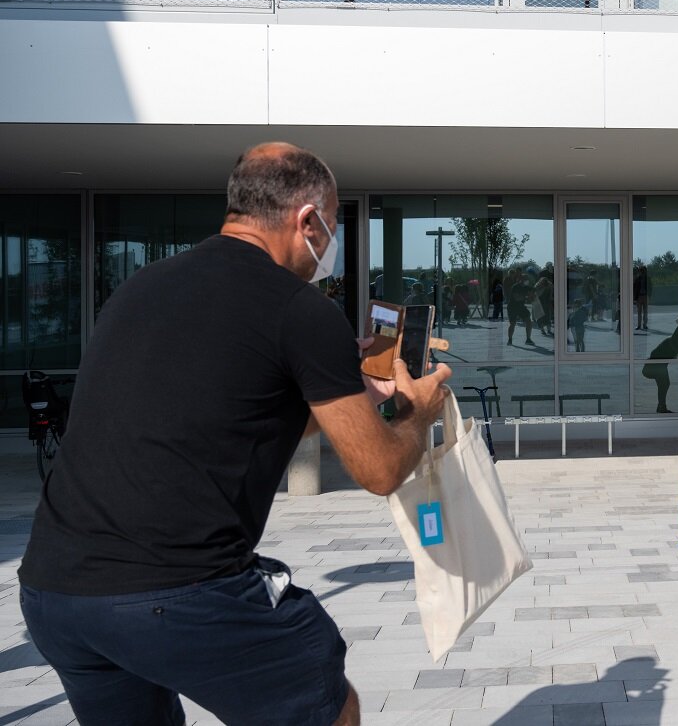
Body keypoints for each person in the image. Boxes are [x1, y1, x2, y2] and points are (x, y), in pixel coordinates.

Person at [18, 143, 452, 726]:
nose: (329, 246)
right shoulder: (298, 308)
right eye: (331, 227)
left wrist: (332, 391)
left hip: (54, 592)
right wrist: (418, 414)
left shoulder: (143, 286)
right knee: (328, 707)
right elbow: (378, 472)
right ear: (307, 221)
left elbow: (237, 413)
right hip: (176, 593)